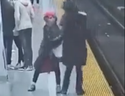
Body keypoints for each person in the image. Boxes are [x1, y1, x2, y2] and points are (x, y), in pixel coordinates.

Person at [28, 11, 62, 92]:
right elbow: (49, 40)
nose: (50, 20)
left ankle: (58, 85)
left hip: (52, 52)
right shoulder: (46, 28)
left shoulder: (56, 28)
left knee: (56, 68)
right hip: (45, 51)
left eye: (51, 18)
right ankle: (33, 83)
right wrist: (59, 38)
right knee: (39, 67)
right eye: (49, 18)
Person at [59, 0, 87, 95]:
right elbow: (86, 32)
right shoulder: (82, 17)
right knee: (79, 70)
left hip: (69, 48)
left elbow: (62, 32)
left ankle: (64, 89)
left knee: (68, 70)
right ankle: (79, 89)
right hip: (79, 47)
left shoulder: (65, 18)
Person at [13, 0, 34, 70]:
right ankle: (30, 64)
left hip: (22, 27)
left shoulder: (17, 3)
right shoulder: (28, 2)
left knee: (24, 46)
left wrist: (17, 27)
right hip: (29, 26)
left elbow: (17, 17)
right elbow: (32, 15)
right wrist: (31, 23)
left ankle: (26, 65)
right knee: (29, 45)